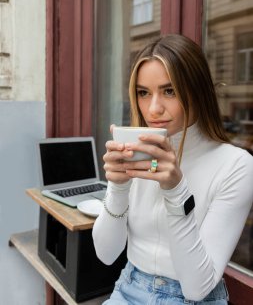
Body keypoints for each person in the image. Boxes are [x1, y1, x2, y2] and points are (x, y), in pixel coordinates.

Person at [92, 34, 253, 304]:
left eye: (170, 91)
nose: (153, 109)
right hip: (129, 285)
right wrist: (118, 187)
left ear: (198, 91)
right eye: (143, 93)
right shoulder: (135, 150)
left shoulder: (236, 165)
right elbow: (106, 254)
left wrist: (176, 191)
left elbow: (197, 288)